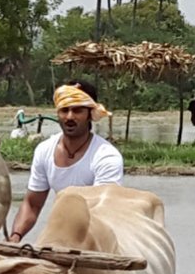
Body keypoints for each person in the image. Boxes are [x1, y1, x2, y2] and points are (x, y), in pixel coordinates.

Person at [8, 80, 123, 244]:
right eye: (64, 110)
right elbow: (32, 204)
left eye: (77, 110)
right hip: (61, 232)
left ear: (90, 114)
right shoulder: (44, 150)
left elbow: (102, 212)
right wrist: (15, 236)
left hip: (98, 235)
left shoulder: (106, 156)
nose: (69, 117)